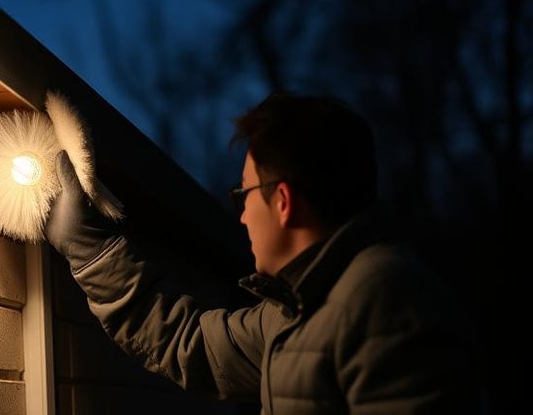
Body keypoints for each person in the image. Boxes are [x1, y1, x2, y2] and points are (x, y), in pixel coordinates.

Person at [44, 90, 486, 414]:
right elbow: (188, 343)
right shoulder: (294, 313)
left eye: (244, 194)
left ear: (283, 201)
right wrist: (93, 250)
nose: (240, 216)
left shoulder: (387, 302)